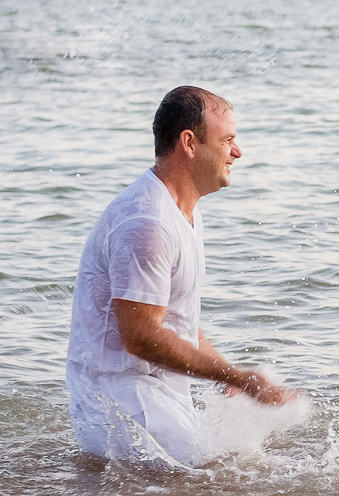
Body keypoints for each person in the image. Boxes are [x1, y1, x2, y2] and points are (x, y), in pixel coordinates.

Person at [66, 86, 298, 468]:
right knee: (226, 488)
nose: (237, 152)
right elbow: (142, 337)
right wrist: (238, 376)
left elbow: (175, 320)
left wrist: (227, 374)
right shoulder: (147, 221)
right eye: (227, 140)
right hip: (121, 406)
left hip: (153, 395)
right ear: (189, 143)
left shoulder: (183, 211)